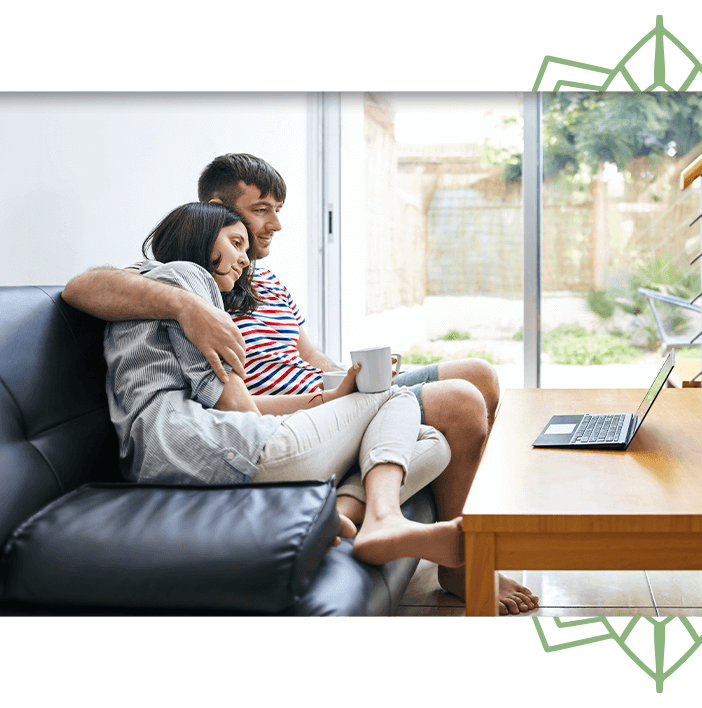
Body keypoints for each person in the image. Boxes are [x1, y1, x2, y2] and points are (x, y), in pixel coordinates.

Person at [63, 153, 538, 615]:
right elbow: (84, 289)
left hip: (306, 408)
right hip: (276, 420)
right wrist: (193, 308)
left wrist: (353, 380)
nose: (272, 228)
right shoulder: (186, 283)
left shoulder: (259, 278)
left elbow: (308, 359)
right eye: (259, 213)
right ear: (217, 210)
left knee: (471, 381)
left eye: (277, 212)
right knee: (455, 403)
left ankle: (353, 512)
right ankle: (419, 541)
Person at [105, 201, 462, 568]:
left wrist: (333, 399)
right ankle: (382, 519)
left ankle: (333, 514)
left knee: (431, 442)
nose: (244, 260)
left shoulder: (146, 290)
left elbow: (224, 402)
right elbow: (234, 406)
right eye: (236, 243)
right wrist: (319, 421)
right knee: (394, 394)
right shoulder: (186, 277)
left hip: (177, 458)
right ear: (201, 233)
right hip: (209, 451)